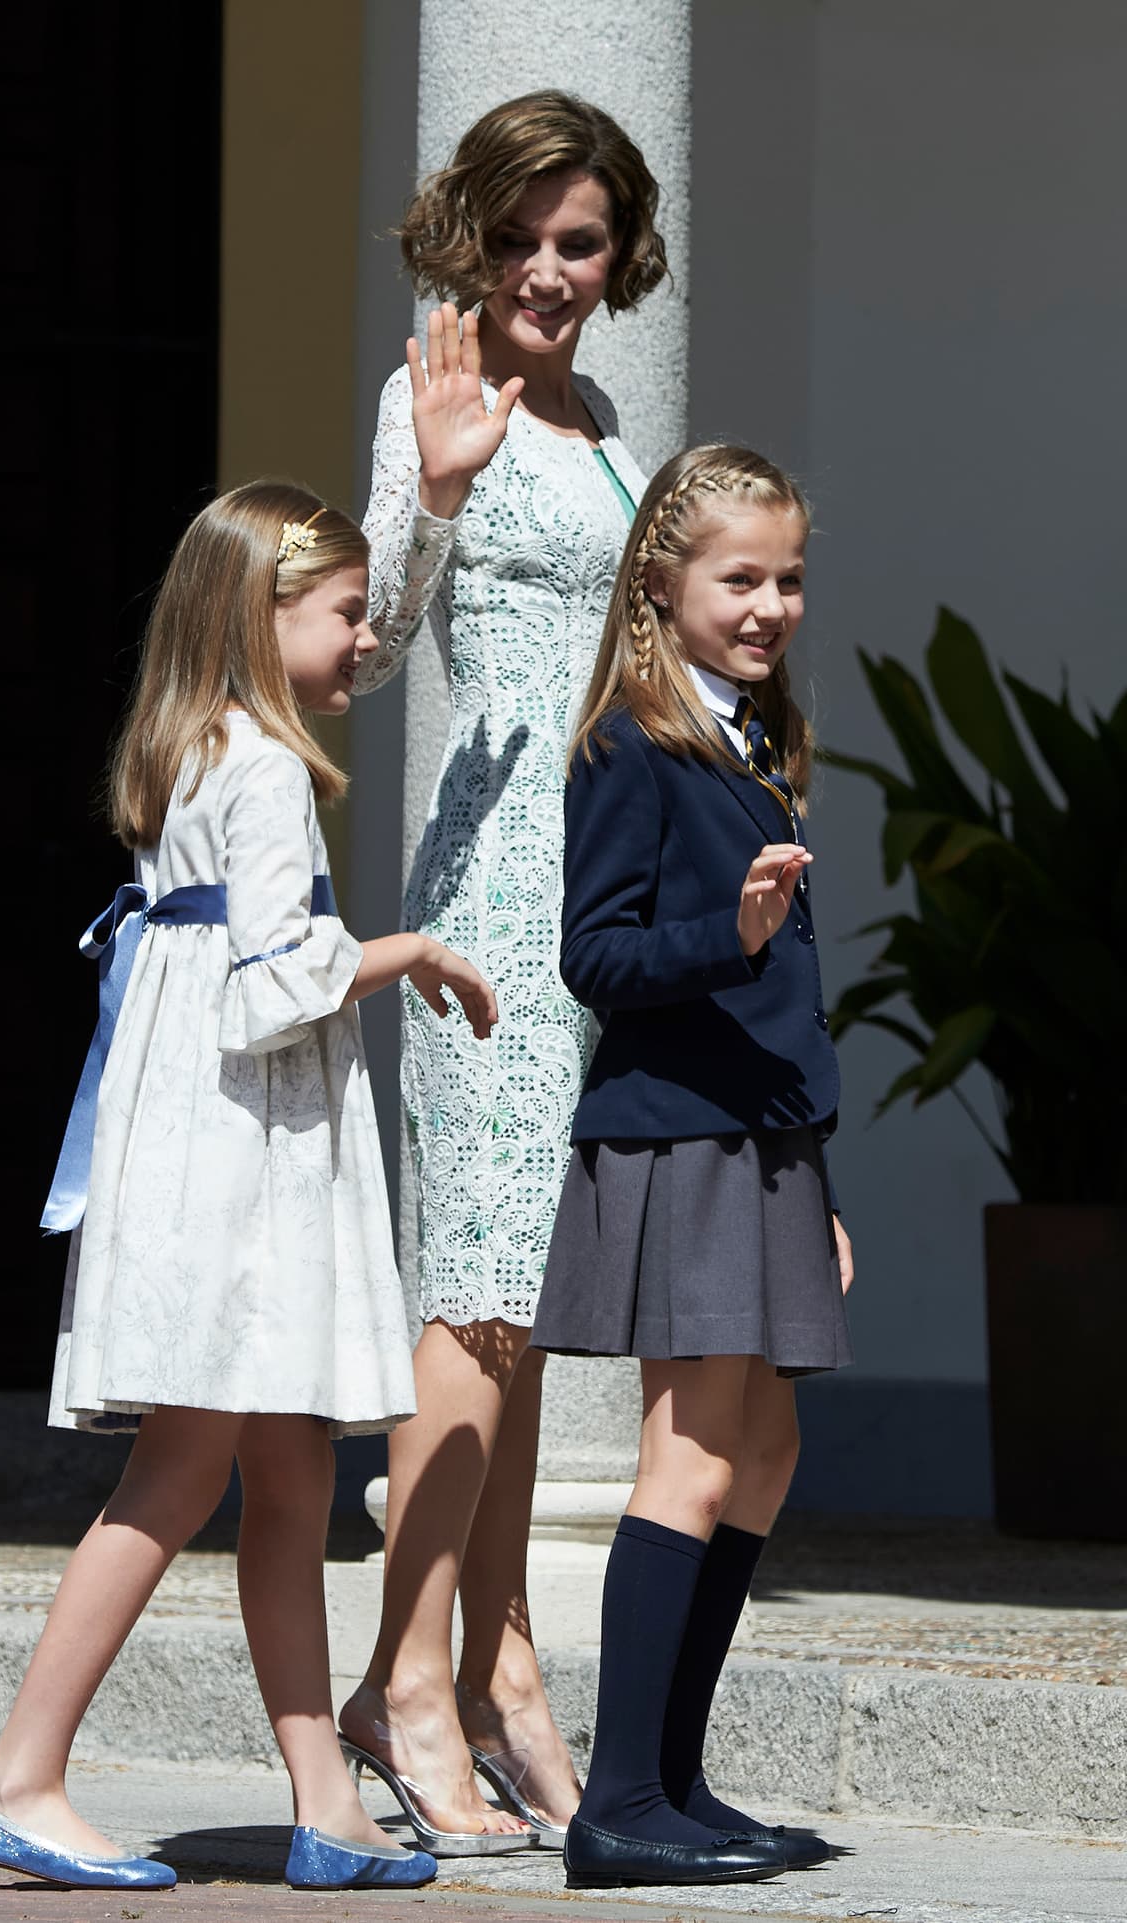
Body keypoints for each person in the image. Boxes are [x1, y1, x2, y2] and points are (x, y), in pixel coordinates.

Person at [0, 482, 497, 1896]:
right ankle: (21, 1772)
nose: (364, 640)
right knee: (187, 1464)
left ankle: (326, 1799)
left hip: (207, 1144)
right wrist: (406, 951)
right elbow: (275, 985)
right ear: (264, 618)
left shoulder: (198, 745)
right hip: (238, 1167)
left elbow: (215, 968)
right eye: (342, 613)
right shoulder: (260, 767)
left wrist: (424, 516)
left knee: (292, 1470)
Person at [338, 92, 668, 1853]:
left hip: (599, 894)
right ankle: (402, 1679)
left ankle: (505, 1659)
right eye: (526, 237)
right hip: (486, 902)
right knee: (468, 1294)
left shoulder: (611, 419)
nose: (551, 270)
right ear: (476, 238)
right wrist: (442, 499)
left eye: (584, 241)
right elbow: (374, 653)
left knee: (525, 1311)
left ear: (620, 260)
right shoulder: (427, 398)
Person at [531, 444, 855, 1890]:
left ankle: (673, 1777)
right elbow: (591, 955)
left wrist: (822, 1186)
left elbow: (793, 996)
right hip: (680, 1135)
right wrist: (717, 936)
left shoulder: (760, 745)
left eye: (789, 578)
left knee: (768, 1450)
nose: (771, 603)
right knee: (697, 1448)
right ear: (664, 586)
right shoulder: (631, 744)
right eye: (742, 578)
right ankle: (616, 1805)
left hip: (766, 1144)